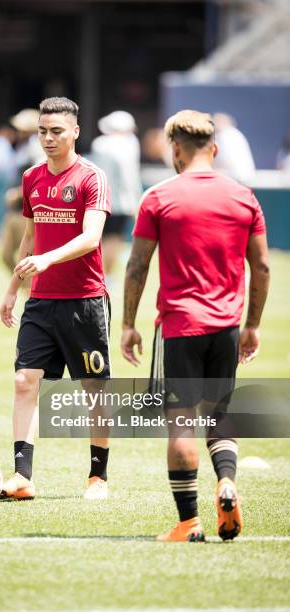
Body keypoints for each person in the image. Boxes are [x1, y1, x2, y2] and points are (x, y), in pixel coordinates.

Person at [122, 109, 269, 542]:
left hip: (180, 326)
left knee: (181, 421)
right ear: (215, 149)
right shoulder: (243, 197)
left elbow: (136, 266)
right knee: (219, 413)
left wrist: (128, 323)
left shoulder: (159, 197)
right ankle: (226, 481)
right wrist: (252, 325)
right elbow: (260, 266)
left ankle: (189, 523)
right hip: (226, 326)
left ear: (175, 149)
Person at [0, 97, 112, 501]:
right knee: (24, 381)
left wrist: (47, 259)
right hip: (41, 302)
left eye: (56, 131)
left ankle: (97, 476)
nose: (48, 138)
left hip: (84, 301)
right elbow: (29, 238)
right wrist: (13, 288)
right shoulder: (31, 178)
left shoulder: (92, 177)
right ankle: (22, 476)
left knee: (93, 391)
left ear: (75, 132)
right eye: (43, 131)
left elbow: (91, 237)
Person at [91, 111, 142, 282]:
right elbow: (129, 177)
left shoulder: (100, 144)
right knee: (112, 239)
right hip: (120, 202)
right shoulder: (128, 145)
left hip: (100, 199)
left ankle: (100, 275)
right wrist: (135, 201)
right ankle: (106, 276)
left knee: (100, 239)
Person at [213, 113, 256, 184]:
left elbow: (224, 159)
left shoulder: (225, 135)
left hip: (236, 179)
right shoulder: (236, 134)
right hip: (244, 178)